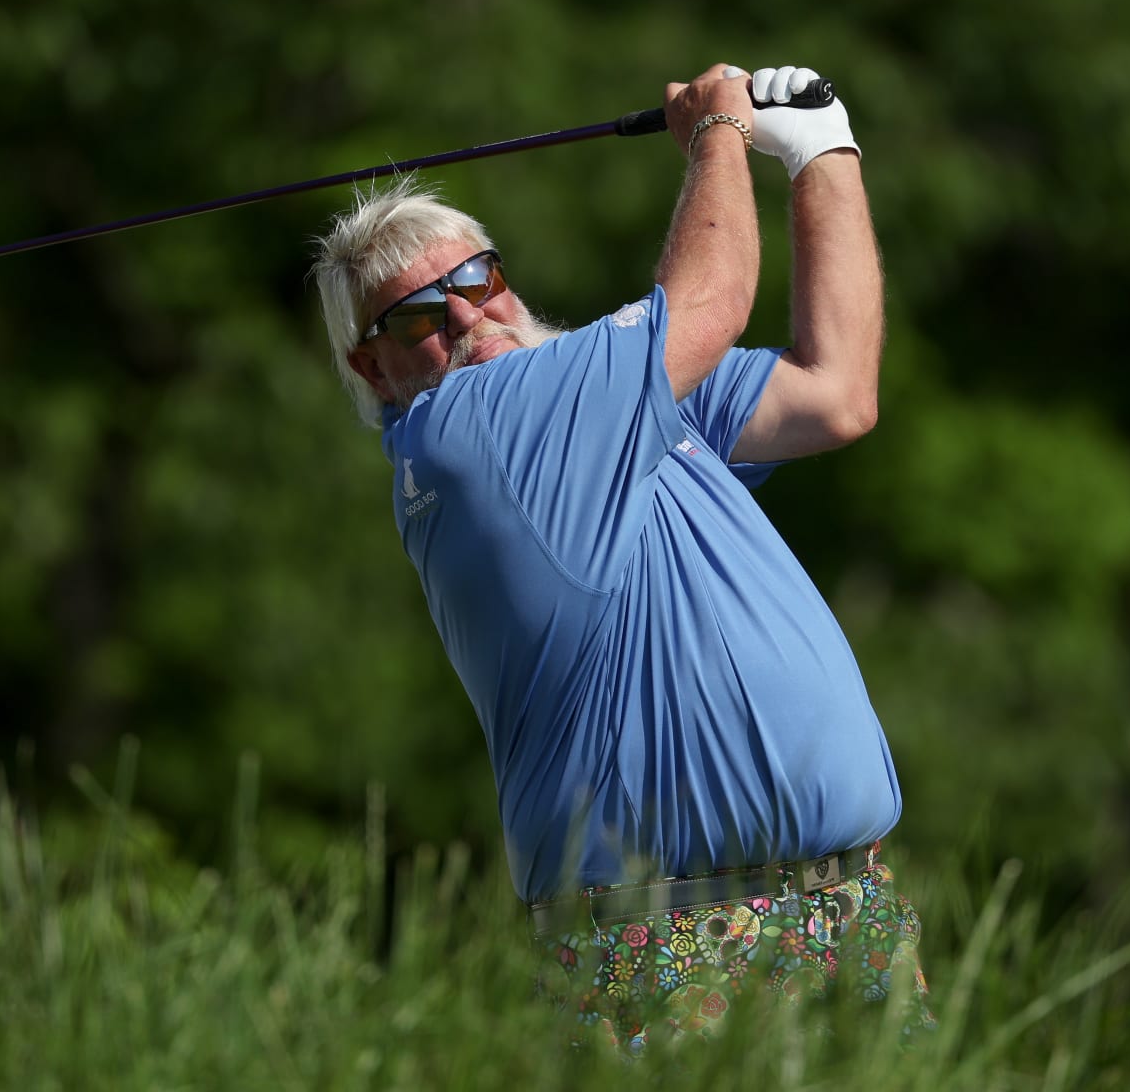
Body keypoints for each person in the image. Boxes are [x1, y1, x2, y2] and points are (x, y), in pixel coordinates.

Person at [311, 63, 932, 1051]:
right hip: (671, 937)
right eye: (420, 317)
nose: (469, 318)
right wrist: (719, 129)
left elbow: (837, 393)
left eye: (478, 280)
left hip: (841, 908)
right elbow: (717, 297)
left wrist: (823, 151)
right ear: (374, 367)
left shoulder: (612, 405)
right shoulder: (468, 431)